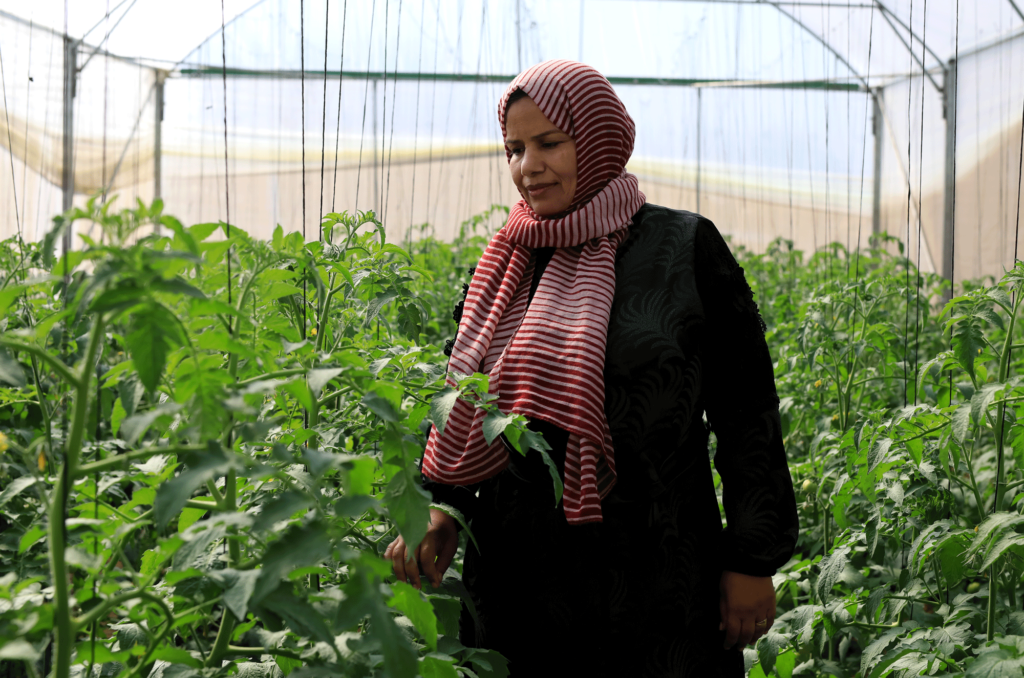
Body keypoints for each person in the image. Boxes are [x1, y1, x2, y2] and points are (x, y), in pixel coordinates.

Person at [385, 59, 799, 677]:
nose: (529, 165)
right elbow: (465, 402)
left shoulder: (682, 248)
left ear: (599, 137)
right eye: (515, 148)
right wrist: (443, 507)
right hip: (518, 576)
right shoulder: (505, 263)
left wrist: (752, 559)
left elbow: (746, 413)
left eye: (550, 142)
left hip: (660, 571)